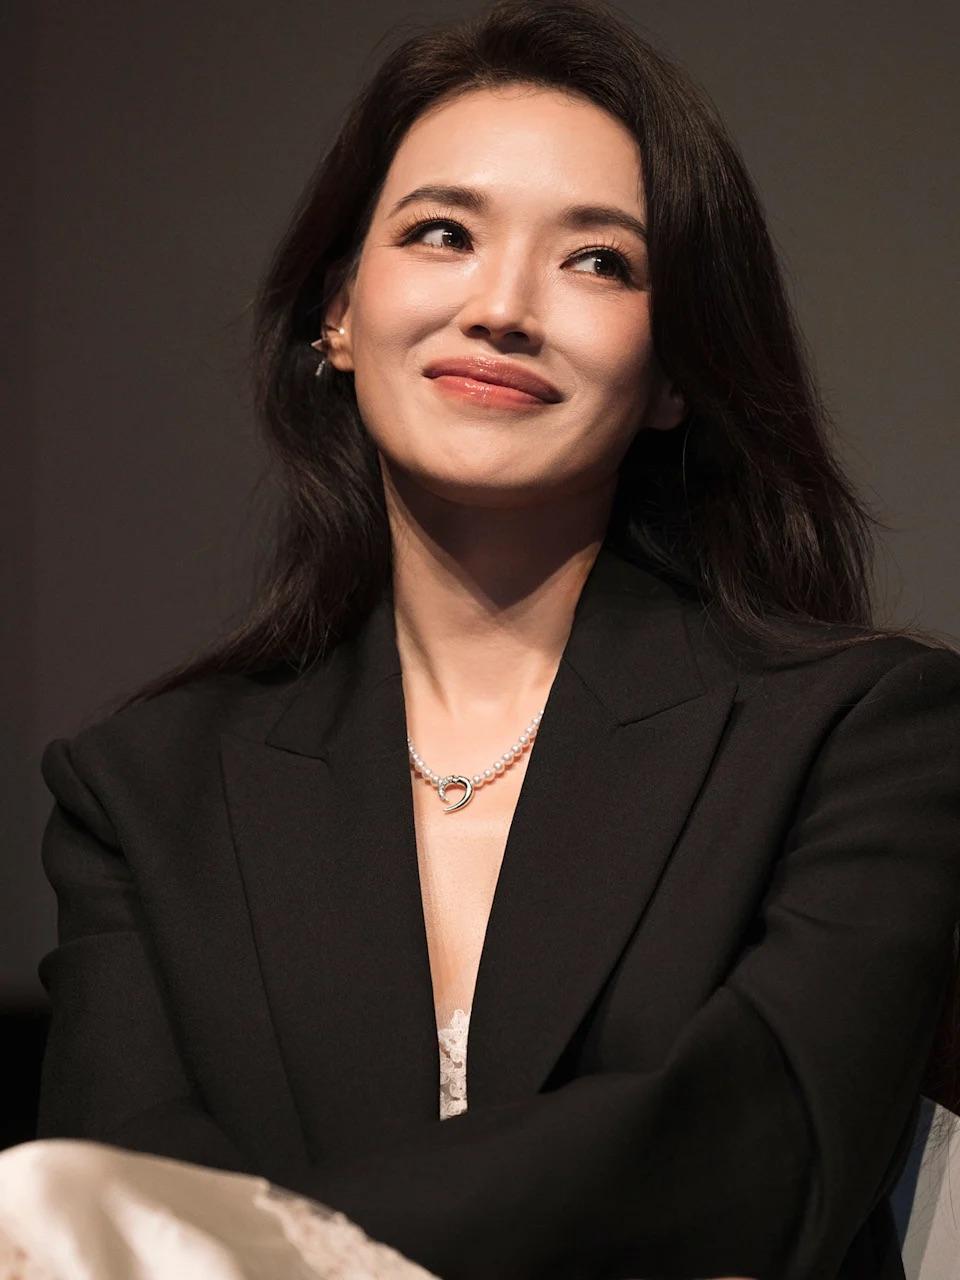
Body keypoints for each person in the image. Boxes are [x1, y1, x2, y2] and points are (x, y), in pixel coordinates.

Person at [23, 0, 960, 1277]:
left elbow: (760, 1138)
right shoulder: (145, 791)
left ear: (674, 373)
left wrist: (282, 1241)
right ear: (339, 311)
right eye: (443, 233)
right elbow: (115, 1217)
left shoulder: (864, 733)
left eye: (599, 261)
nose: (504, 307)